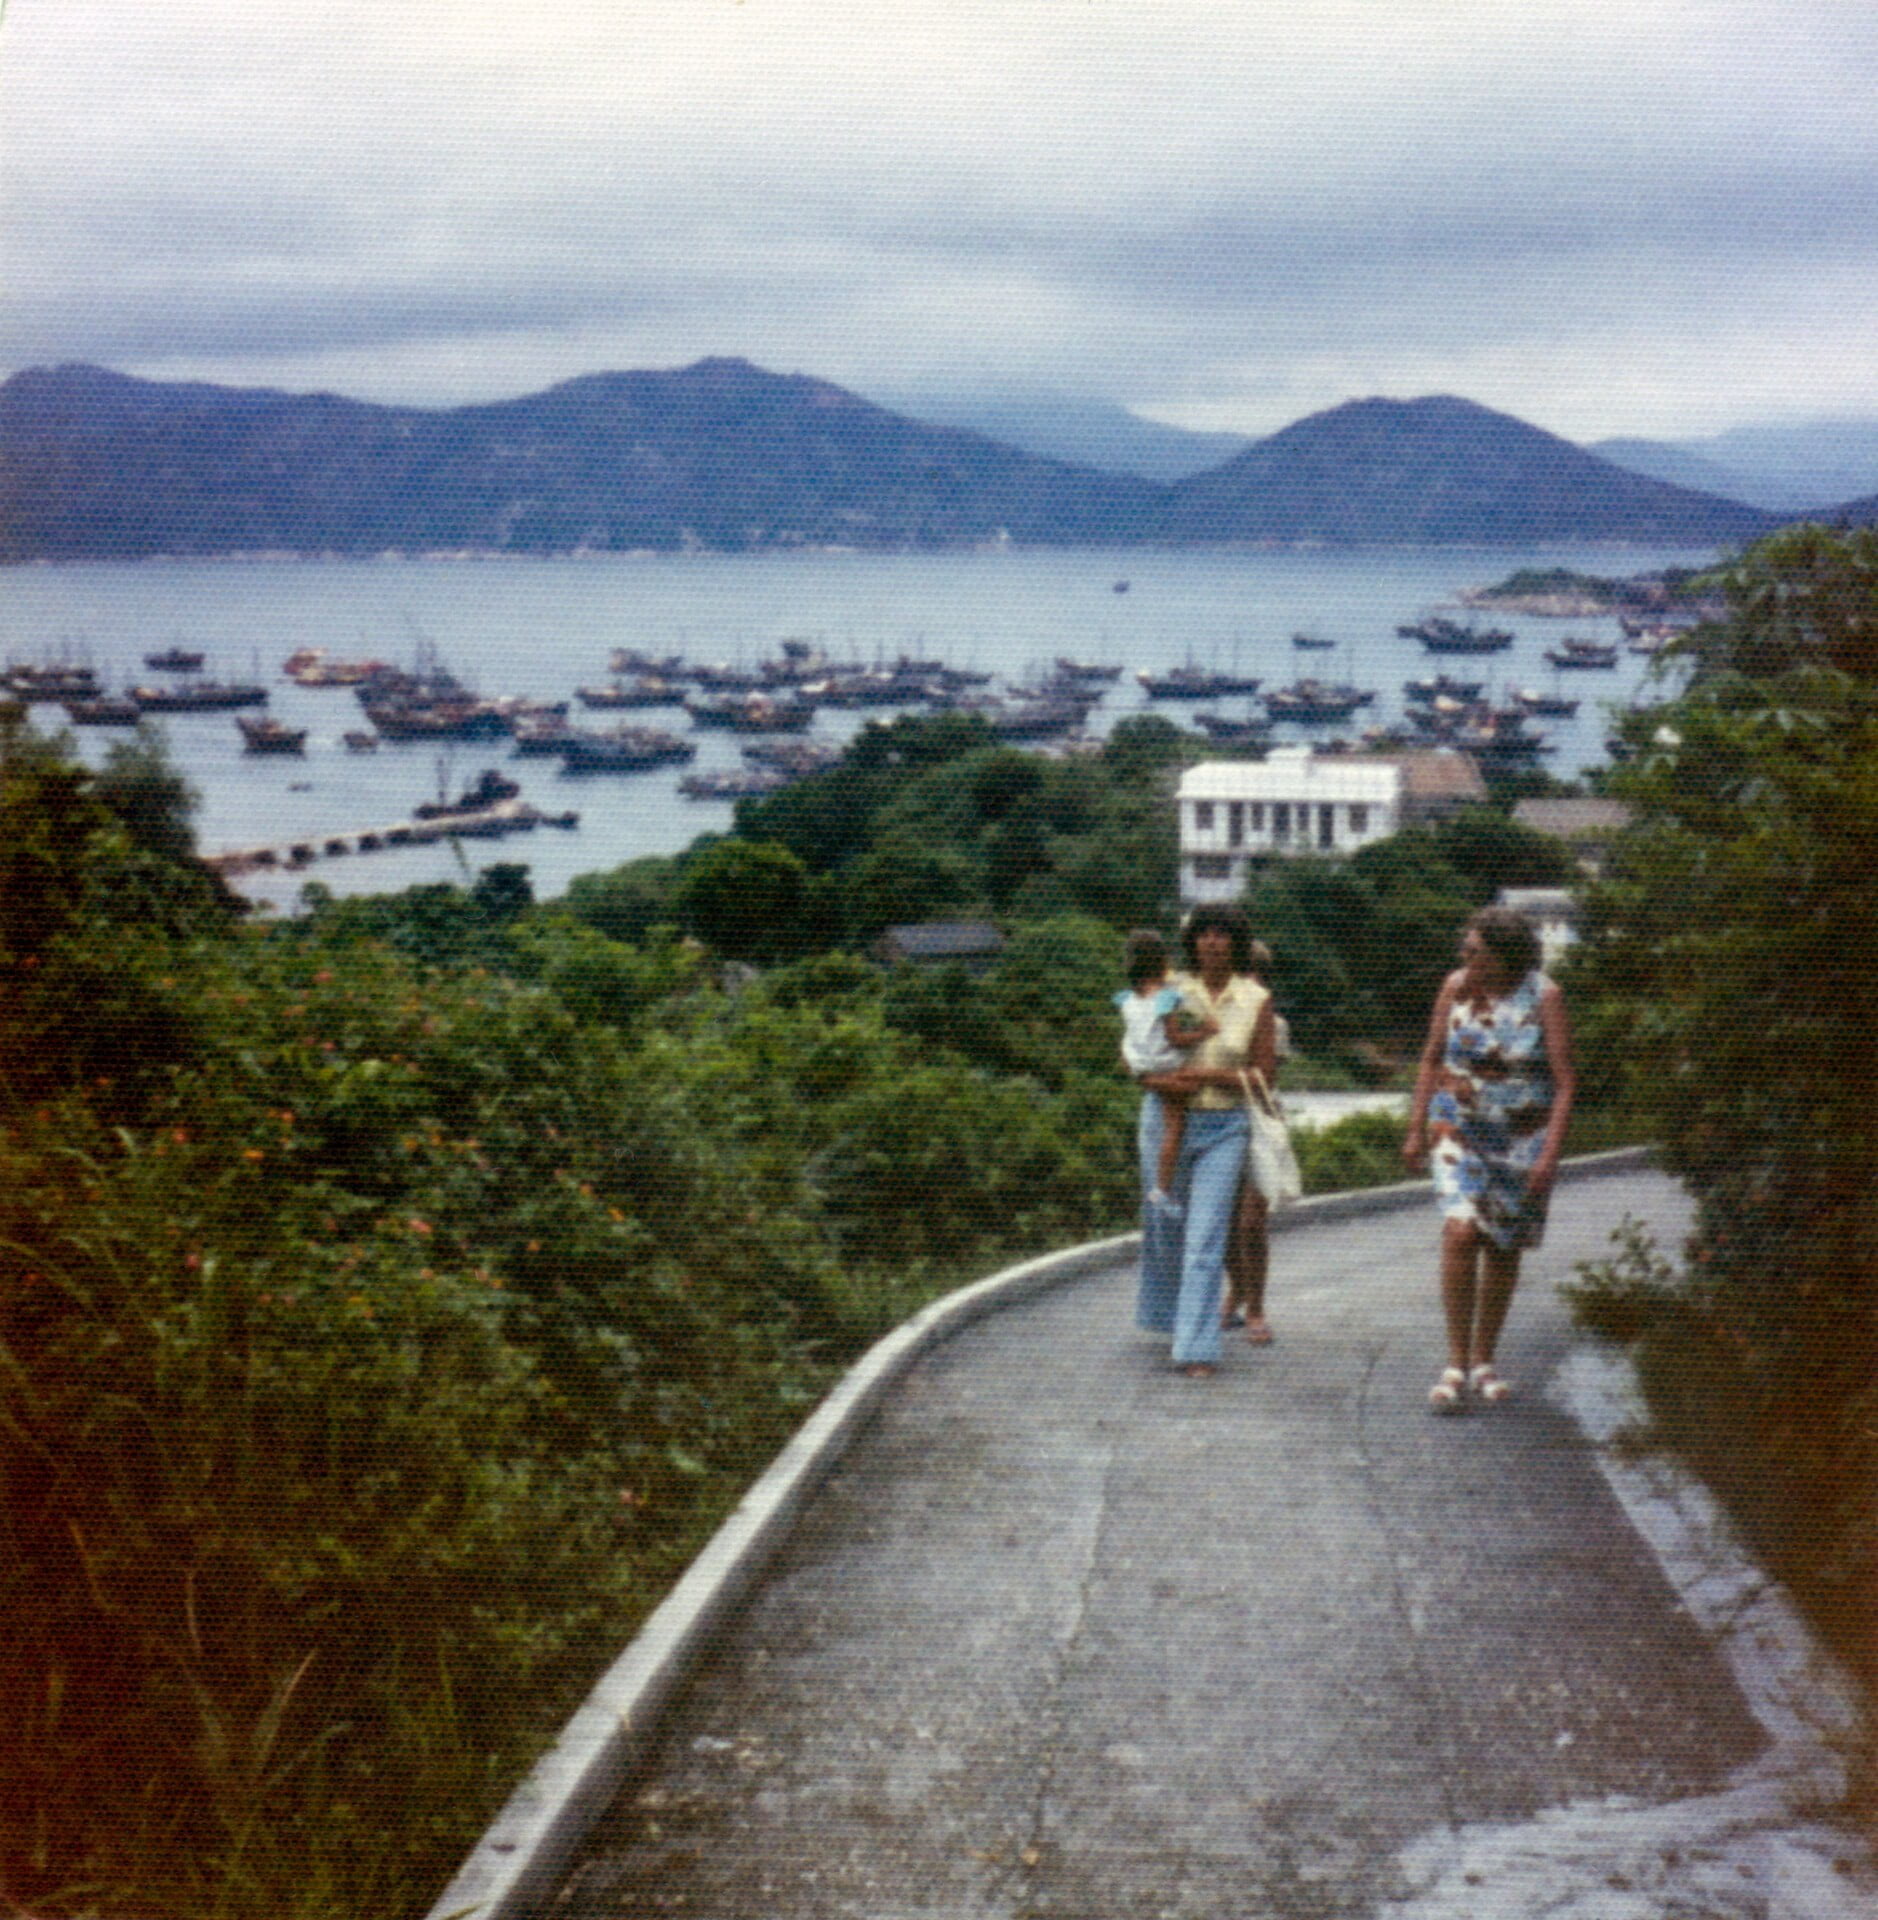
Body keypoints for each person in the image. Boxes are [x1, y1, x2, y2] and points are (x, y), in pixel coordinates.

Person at [1402, 905, 1576, 1413]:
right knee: (1460, 1229)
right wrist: (1414, 1129)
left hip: (1522, 1136)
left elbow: (1565, 1082)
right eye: (1466, 950)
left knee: (1502, 1246)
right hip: (1457, 1123)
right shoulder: (1455, 986)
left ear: (1505, 956)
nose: (1465, 958)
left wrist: (1549, 1154)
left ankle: (1484, 1360)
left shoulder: (1545, 996)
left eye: (1475, 952)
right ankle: (1455, 1363)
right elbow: (1432, 1057)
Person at [1133, 904, 1277, 1378]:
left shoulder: (1256, 999)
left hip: (1225, 1126)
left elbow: (1262, 1077)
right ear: (1193, 942)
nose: (1213, 942)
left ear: (1236, 943)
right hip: (1167, 1119)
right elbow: (1142, 1053)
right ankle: (1169, 1319)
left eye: (1223, 934)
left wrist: (1210, 1074)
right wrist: (1160, 1081)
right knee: (1165, 1227)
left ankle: (1196, 1347)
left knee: (1207, 1235)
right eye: (1204, 934)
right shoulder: (1171, 991)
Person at [1115, 929, 1219, 1213]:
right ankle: (1162, 1189)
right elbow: (1174, 1038)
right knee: (1174, 1129)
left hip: (1143, 1064)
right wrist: (1203, 1032)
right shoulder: (1166, 998)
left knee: (1166, 1129)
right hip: (1168, 1064)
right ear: (1161, 962)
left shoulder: (1126, 999)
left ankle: (1161, 1188)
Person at [1221, 938, 1286, 1344]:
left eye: (1253, 973)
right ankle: (1237, 1290)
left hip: (1260, 1123)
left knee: (1252, 1220)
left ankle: (1257, 1305)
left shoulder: (1274, 1024)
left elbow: (1264, 1079)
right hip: (1218, 1118)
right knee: (1223, 1221)